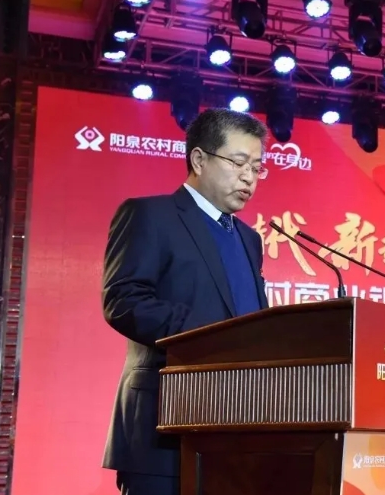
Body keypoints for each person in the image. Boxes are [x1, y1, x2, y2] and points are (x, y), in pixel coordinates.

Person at [101, 108, 270, 495]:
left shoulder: (249, 239)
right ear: (199, 159)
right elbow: (124, 300)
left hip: (236, 429)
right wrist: (214, 336)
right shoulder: (150, 215)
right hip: (164, 427)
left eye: (257, 167)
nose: (249, 177)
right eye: (239, 162)